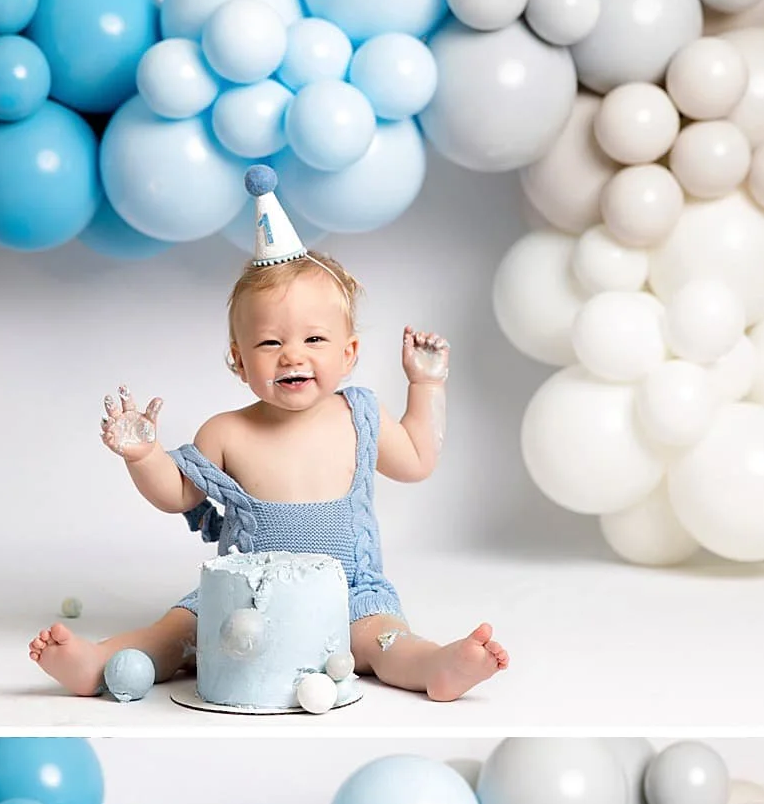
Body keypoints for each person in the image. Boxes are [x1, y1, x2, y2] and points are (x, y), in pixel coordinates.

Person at [31, 170, 508, 702]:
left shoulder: (360, 415)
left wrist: (425, 383)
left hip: (348, 591)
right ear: (238, 360)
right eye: (270, 342)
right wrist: (143, 455)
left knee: (383, 639)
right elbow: (177, 496)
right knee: (177, 629)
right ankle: (101, 663)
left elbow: (418, 459)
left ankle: (436, 666)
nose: (292, 355)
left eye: (314, 338)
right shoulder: (227, 431)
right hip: (244, 600)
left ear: (348, 353)